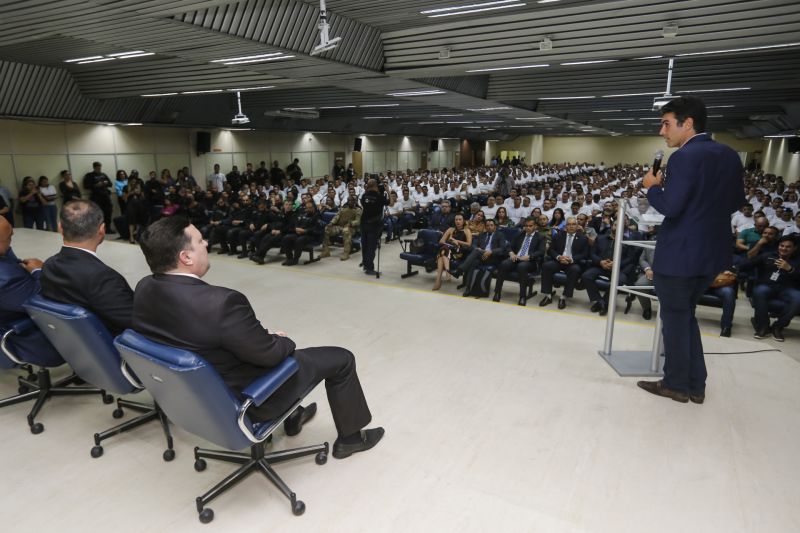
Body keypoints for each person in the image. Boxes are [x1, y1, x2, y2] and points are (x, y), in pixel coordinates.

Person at [135, 216, 384, 458]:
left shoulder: (145, 288)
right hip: (251, 398)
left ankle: (293, 416)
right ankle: (351, 440)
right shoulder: (220, 303)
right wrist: (280, 339)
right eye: (200, 241)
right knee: (341, 359)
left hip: (199, 398)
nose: (206, 244)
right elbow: (270, 355)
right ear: (185, 256)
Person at [638, 96, 745, 404]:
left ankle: (675, 385)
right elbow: (736, 201)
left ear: (688, 123)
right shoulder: (728, 154)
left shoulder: (684, 158)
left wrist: (652, 186)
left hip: (680, 254)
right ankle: (695, 385)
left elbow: (671, 206)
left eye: (666, 123)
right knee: (685, 316)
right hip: (712, 253)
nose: (662, 131)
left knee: (674, 319)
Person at [40, 200, 134, 336]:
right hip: (112, 349)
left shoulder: (48, 265)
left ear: (60, 228)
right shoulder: (103, 278)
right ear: (102, 230)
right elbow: (136, 321)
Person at [0, 216, 63, 366]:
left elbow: (9, 258)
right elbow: (41, 301)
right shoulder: (7, 279)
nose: (13, 236)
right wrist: (38, 271)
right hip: (22, 337)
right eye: (8, 238)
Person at [735, 235, 800, 341]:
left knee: (798, 298)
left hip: (787, 289)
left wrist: (790, 269)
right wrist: (735, 268)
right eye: (781, 245)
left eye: (788, 247)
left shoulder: (798, 261)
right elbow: (749, 263)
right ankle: (763, 326)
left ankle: (778, 327)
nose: (783, 248)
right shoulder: (768, 255)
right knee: (759, 291)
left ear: (794, 248)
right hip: (768, 286)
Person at [539, 217, 590, 309]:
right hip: (559, 260)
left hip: (572, 263)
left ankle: (564, 296)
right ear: (566, 226)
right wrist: (559, 257)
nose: (571, 226)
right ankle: (548, 295)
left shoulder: (583, 238)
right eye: (569, 224)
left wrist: (571, 259)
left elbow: (584, 254)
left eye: (573, 224)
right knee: (546, 266)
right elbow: (551, 250)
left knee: (575, 269)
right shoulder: (559, 235)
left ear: (577, 226)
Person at [493, 217, 545, 306]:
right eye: (526, 226)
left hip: (530, 261)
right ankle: (497, 292)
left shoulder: (540, 237)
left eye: (530, 226)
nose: (528, 228)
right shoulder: (520, 234)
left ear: (535, 226)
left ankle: (522, 296)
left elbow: (541, 252)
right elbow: (509, 246)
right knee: (504, 264)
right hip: (516, 258)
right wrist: (511, 253)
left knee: (522, 266)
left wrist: (529, 256)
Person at [433, 213, 472, 291]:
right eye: (456, 220)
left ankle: (439, 280)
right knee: (443, 250)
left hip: (459, 251)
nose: (458, 221)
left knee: (442, 251)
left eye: (460, 219)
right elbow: (441, 241)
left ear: (463, 221)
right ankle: (446, 273)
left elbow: (469, 244)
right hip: (448, 249)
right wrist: (450, 242)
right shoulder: (451, 229)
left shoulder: (467, 230)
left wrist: (456, 241)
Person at [321, 196, 361, 261]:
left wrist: (351, 223)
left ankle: (346, 253)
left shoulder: (358, 210)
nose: (350, 202)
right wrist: (331, 223)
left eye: (351, 200)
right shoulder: (343, 209)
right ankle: (326, 251)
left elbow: (358, 221)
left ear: (355, 201)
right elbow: (337, 216)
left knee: (346, 231)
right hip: (340, 226)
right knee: (326, 229)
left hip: (351, 228)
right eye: (349, 200)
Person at [360, 179, 386, 276]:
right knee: (371, 247)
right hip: (373, 224)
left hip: (363, 223)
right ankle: (369, 268)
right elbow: (390, 203)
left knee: (365, 245)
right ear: (375, 186)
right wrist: (386, 190)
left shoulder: (364, 195)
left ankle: (365, 265)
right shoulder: (379, 197)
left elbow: (363, 204)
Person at [83, 162, 114, 233]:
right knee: (97, 214)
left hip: (105, 196)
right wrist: (96, 185)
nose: (99, 169)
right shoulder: (89, 175)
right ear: (94, 167)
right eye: (97, 167)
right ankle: (98, 230)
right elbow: (86, 186)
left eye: (100, 167)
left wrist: (106, 183)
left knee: (108, 212)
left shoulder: (103, 174)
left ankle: (108, 228)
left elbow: (110, 184)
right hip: (96, 197)